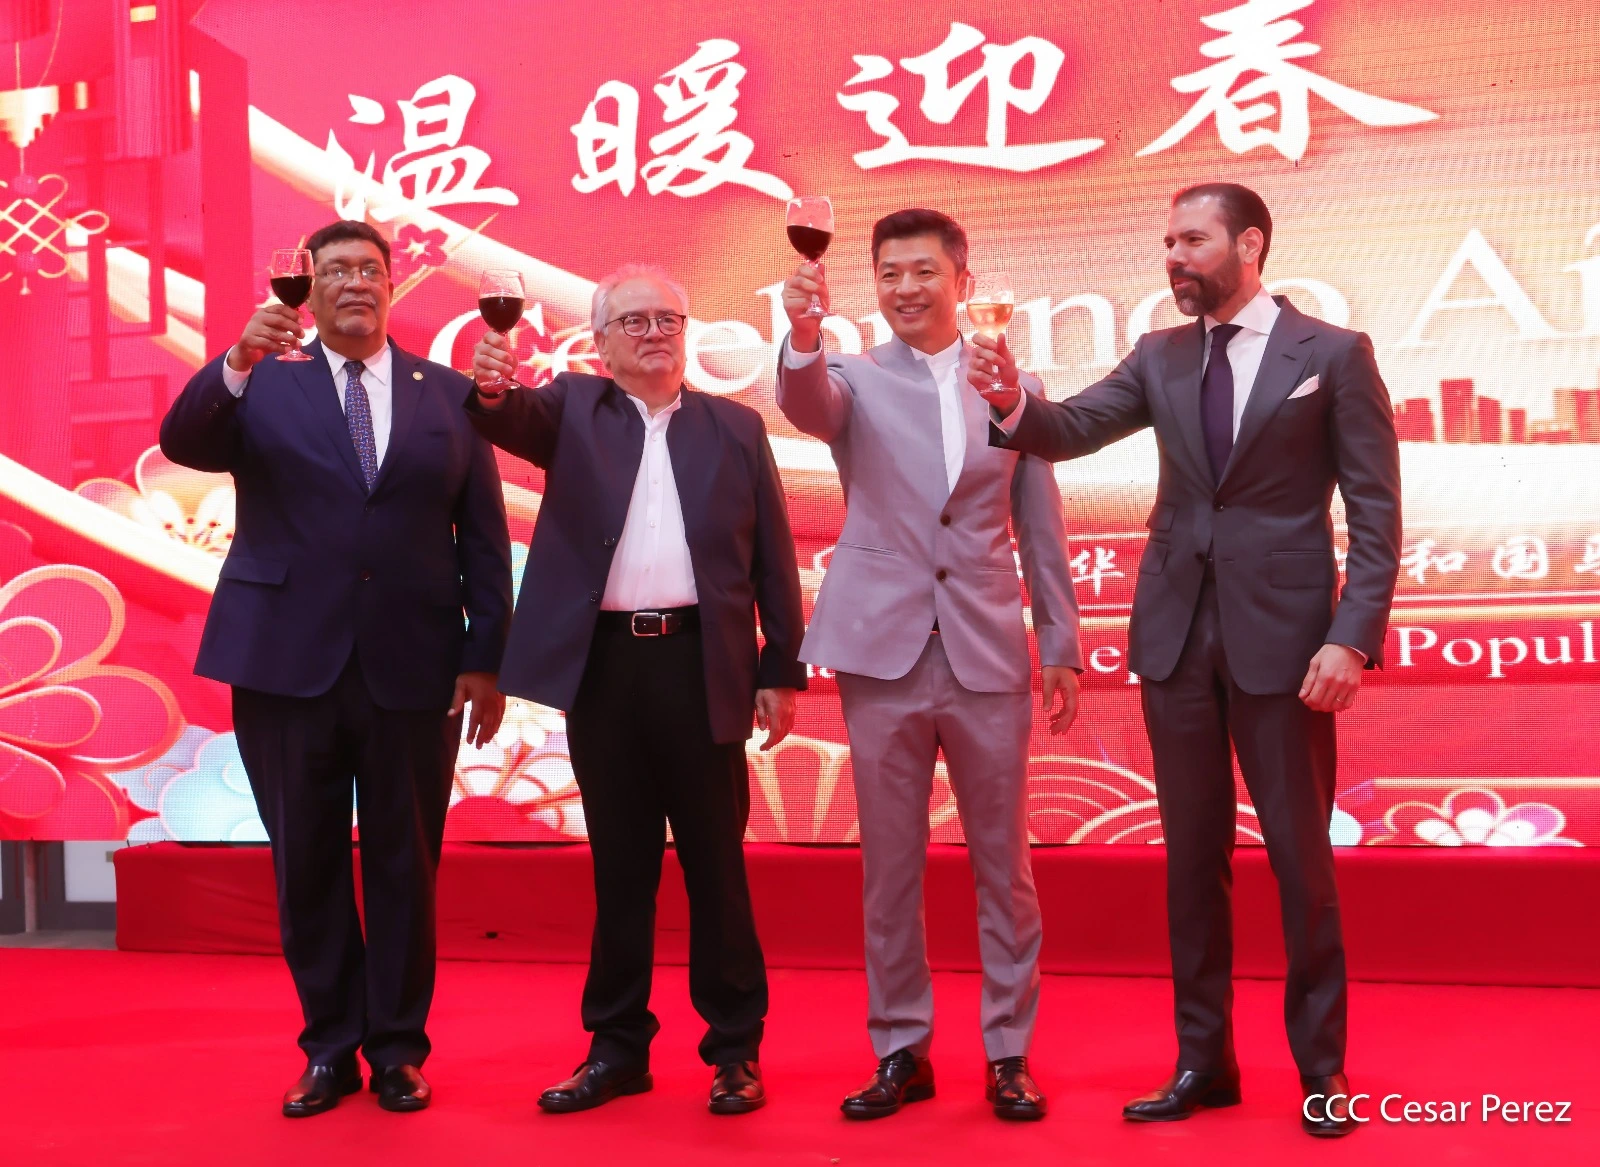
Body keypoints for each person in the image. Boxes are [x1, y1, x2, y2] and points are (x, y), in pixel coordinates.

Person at [977, 183, 1402, 1138]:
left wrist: (1350, 635)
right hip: (1174, 638)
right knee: (1190, 862)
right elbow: (1067, 429)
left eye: (1193, 240)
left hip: (1289, 644)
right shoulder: (1160, 354)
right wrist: (1008, 397)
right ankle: (1204, 1062)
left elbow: (1377, 513)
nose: (1174, 256)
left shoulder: (1332, 354)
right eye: (1168, 241)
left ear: (1249, 245)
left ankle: (1322, 1070)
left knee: (1300, 860)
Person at [159, 220, 513, 1117]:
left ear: (393, 286)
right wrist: (236, 356)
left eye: (371, 269)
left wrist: (485, 657)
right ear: (307, 289)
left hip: (415, 663)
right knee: (307, 862)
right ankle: (328, 1048)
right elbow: (184, 440)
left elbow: (483, 536)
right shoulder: (262, 382)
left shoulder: (449, 394)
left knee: (405, 865)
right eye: (337, 270)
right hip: (284, 660)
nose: (356, 282)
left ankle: (397, 1049)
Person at [465, 264, 807, 1117]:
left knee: (716, 868)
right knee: (621, 870)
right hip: (606, 669)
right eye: (634, 321)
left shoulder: (734, 426)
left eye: (668, 319)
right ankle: (616, 1047)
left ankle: (735, 1049)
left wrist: (779, 667)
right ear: (601, 341)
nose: (655, 333)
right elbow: (501, 413)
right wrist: (493, 380)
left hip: (702, 666)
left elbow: (773, 556)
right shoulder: (573, 409)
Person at [777, 209, 1083, 1122]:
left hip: (986, 648)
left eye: (922, 271)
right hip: (883, 651)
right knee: (890, 865)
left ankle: (1009, 1050)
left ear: (961, 280)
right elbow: (803, 403)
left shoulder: (1014, 386)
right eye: (888, 274)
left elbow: (1040, 527)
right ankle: (901, 1046)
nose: (905, 288)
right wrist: (801, 332)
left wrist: (1060, 644)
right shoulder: (851, 378)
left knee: (1004, 865)